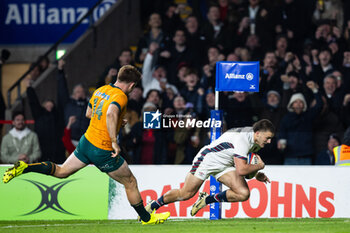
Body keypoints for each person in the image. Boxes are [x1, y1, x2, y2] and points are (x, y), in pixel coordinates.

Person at [2, 65, 170, 225]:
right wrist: (114, 141)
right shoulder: (121, 96)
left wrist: (117, 121)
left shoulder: (101, 90)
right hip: (103, 149)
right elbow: (111, 113)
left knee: (61, 172)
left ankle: (25, 167)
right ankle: (147, 218)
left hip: (86, 142)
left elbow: (90, 114)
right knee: (130, 182)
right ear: (132, 84)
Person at [144, 119, 274, 216]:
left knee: (243, 193)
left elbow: (244, 166)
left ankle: (207, 199)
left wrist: (256, 173)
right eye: (268, 138)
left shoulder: (255, 140)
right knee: (186, 194)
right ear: (257, 133)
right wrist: (259, 166)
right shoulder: (243, 139)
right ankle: (154, 205)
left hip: (226, 165)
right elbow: (241, 170)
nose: (269, 142)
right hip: (208, 160)